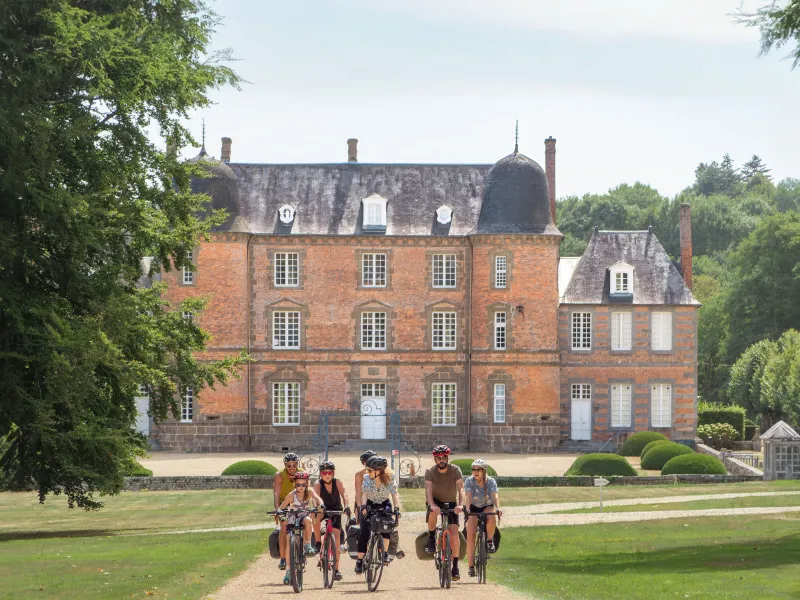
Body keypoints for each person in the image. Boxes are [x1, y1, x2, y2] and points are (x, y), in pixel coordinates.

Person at [424, 444, 465, 581]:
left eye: (444, 458)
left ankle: (455, 566)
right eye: (438, 458)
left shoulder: (455, 470)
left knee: (454, 535)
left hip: (451, 504)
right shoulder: (429, 471)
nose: (441, 461)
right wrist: (432, 505)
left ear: (447, 458)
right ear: (435, 460)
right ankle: (431, 537)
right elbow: (428, 491)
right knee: (432, 512)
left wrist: (460, 505)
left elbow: (461, 489)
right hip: (436, 502)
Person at [355, 455, 402, 575]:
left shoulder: (390, 478)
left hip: (384, 503)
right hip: (370, 503)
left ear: (378, 471)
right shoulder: (366, 478)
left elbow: (394, 494)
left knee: (386, 528)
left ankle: (384, 553)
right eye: (367, 470)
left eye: (370, 470)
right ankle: (360, 561)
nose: (368, 472)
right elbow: (364, 493)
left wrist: (396, 509)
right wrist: (364, 506)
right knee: (364, 532)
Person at [277, 471, 325, 585]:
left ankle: (307, 544)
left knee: (308, 521)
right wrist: (282, 516)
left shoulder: (310, 491)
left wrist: (321, 505)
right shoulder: (291, 495)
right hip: (292, 519)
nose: (301, 487)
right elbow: (280, 508)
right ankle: (288, 571)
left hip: (303, 516)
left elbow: (319, 499)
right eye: (298, 484)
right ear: (295, 484)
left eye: (303, 485)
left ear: (307, 484)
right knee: (289, 543)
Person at [464, 459, 502, 578]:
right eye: (473, 469)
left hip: (487, 506)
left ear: (483, 471)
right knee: (470, 536)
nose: (475, 472)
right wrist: (468, 509)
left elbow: (495, 496)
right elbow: (468, 497)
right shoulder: (469, 481)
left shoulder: (491, 482)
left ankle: (489, 540)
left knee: (491, 515)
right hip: (474, 508)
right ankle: (471, 566)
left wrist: (498, 508)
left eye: (478, 469)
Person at [313, 460, 349, 582]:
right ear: (320, 474)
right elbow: (315, 497)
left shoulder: (337, 482)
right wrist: (318, 507)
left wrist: (347, 506)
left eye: (329, 472)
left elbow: (344, 494)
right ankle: (318, 542)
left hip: (335, 510)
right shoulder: (317, 484)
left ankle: (336, 569)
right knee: (316, 517)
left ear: (333, 473)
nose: (327, 475)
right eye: (324, 473)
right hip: (322, 508)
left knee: (337, 538)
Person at [273, 452, 300, 571]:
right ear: (285, 466)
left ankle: (303, 550)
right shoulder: (279, 475)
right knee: (284, 527)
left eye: (294, 465)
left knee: (302, 523)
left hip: (298, 502)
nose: (292, 468)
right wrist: (276, 509)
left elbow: (307, 492)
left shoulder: (302, 473)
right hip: (284, 502)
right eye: (289, 466)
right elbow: (277, 494)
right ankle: (283, 558)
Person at [354, 449, 376, 524]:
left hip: (376, 499)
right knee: (359, 521)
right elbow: (358, 492)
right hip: (363, 500)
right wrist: (359, 507)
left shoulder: (379, 472)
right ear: (364, 463)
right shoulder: (359, 475)